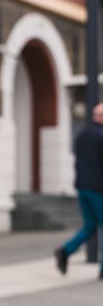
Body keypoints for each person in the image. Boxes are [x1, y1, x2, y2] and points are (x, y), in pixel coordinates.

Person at [54, 102, 103, 279]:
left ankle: (65, 251)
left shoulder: (82, 135)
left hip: (82, 187)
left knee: (90, 226)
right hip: (99, 189)